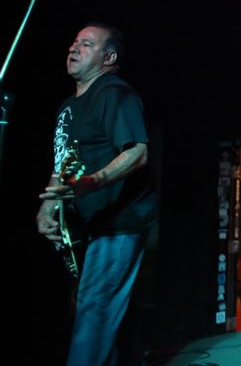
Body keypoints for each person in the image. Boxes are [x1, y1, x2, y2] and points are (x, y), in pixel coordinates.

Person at [36, 23, 158, 366]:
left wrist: (94, 180)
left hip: (118, 224)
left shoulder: (115, 94)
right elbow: (62, 162)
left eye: (87, 44)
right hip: (86, 226)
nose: (74, 48)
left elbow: (137, 152)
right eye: (74, 42)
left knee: (94, 309)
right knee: (96, 314)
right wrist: (47, 207)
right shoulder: (68, 107)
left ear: (109, 58)